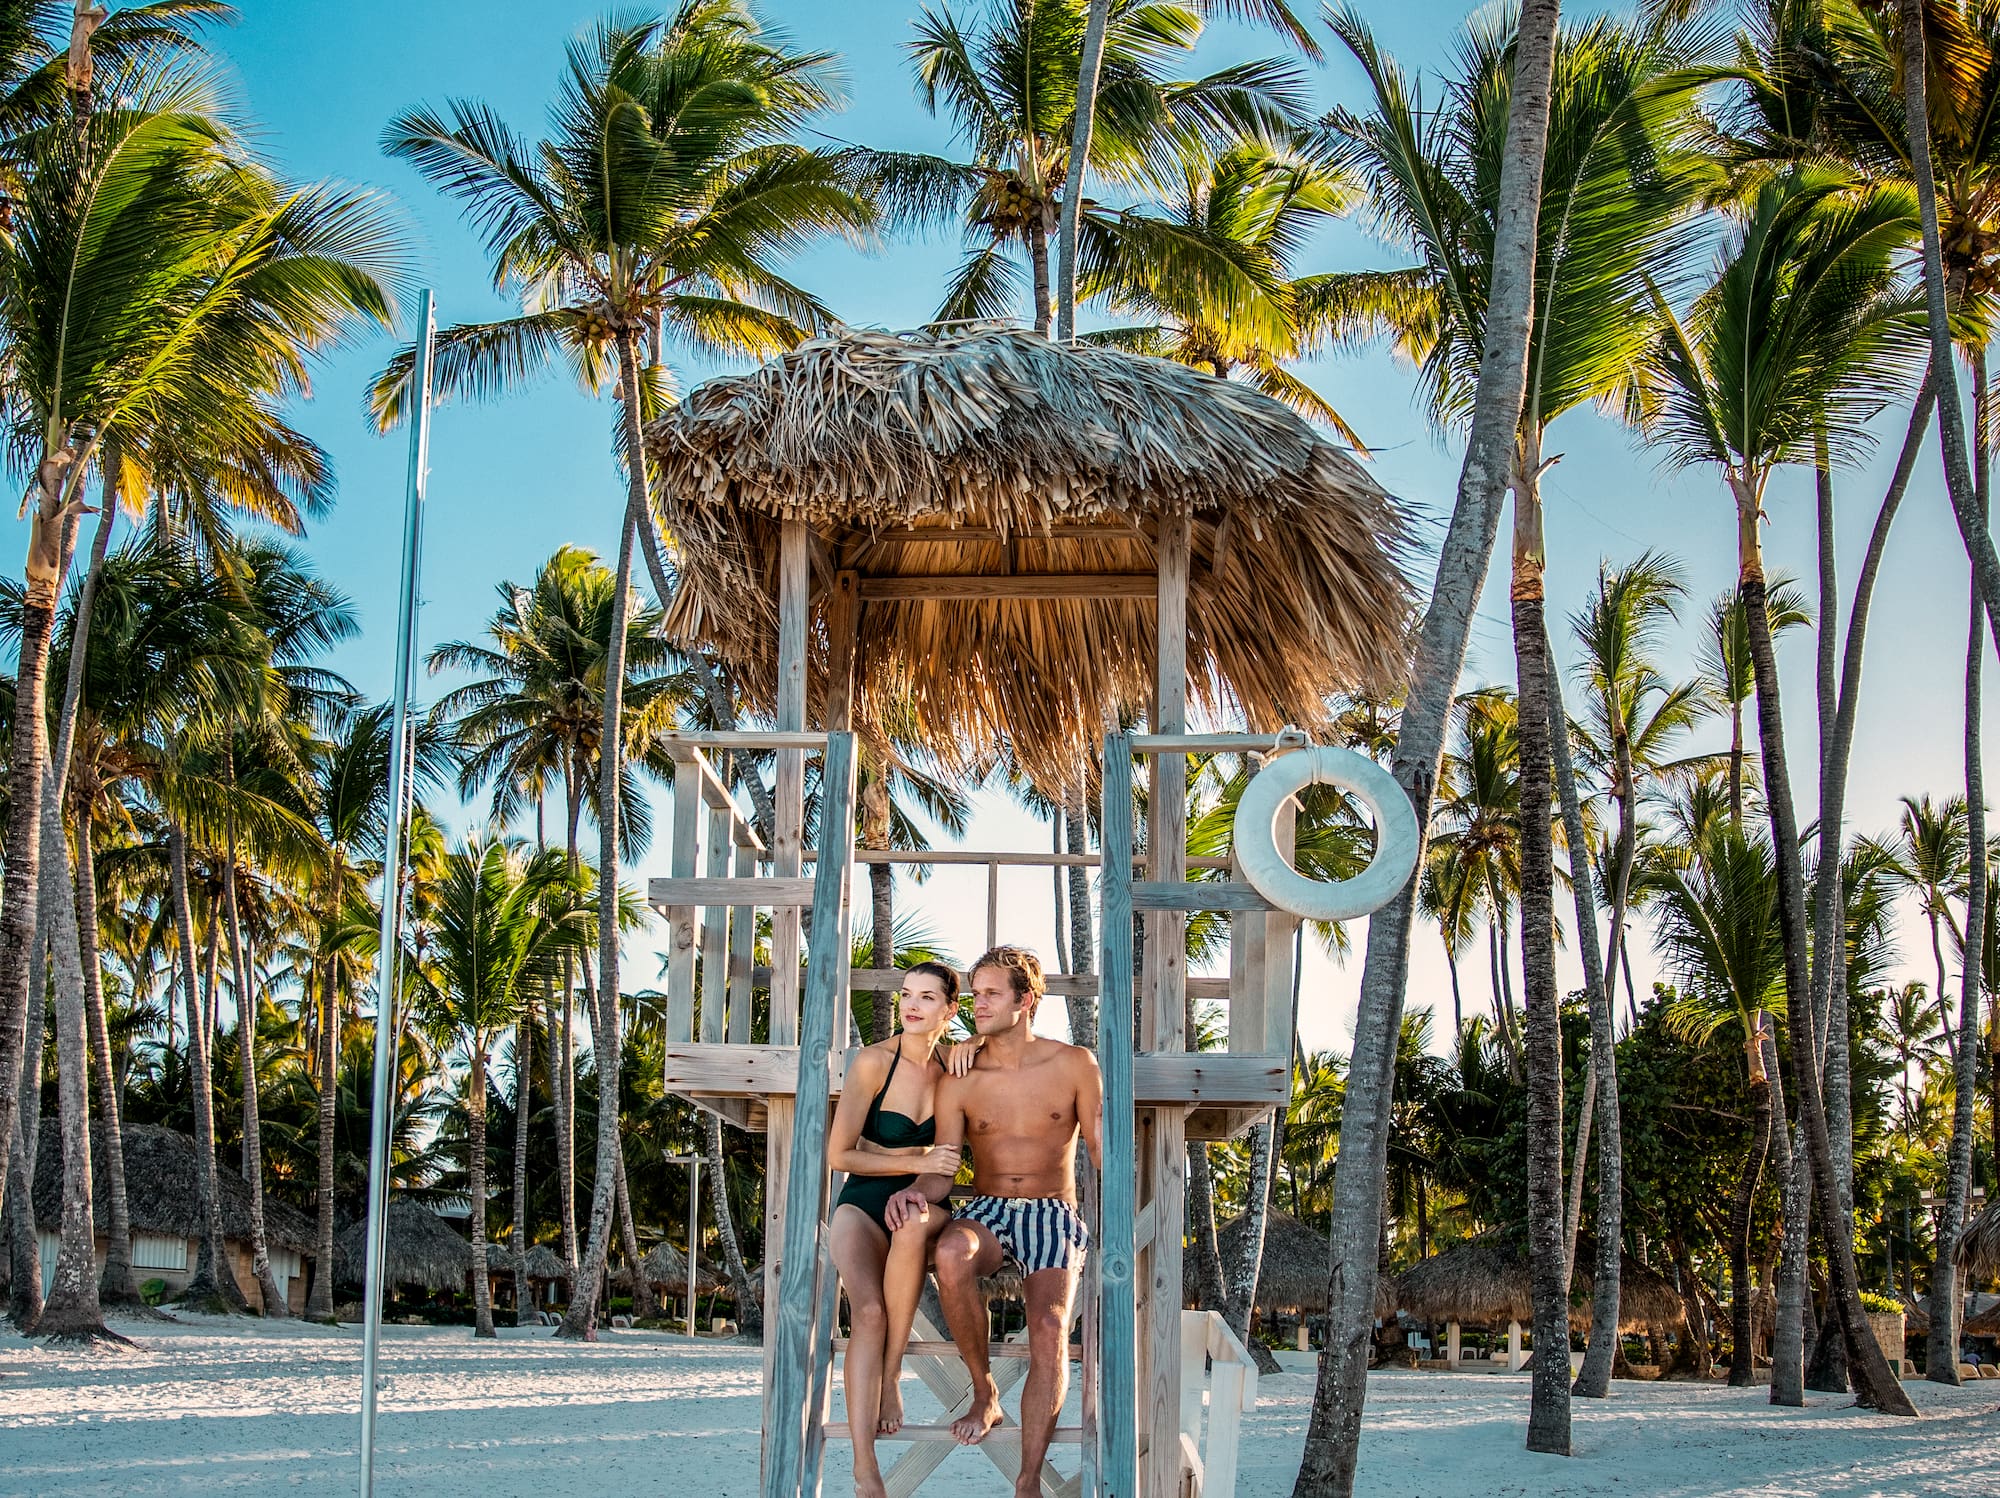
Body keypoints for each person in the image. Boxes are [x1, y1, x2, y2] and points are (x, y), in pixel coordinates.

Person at [885, 946, 1103, 1498]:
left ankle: (1027, 1481)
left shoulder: (1075, 1063)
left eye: (990, 994)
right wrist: (915, 1191)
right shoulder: (959, 1075)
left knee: (1050, 1332)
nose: (975, 1004)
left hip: (1054, 1213)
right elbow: (944, 1167)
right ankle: (985, 1394)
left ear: (1025, 1000)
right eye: (974, 993)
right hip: (984, 1209)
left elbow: (1104, 1155)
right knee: (951, 1254)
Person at [827, 961, 967, 1498]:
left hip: (918, 1207)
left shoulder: (955, 1072)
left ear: (949, 1009)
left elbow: (946, 1169)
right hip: (860, 1206)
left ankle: (888, 1379)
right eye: (907, 994)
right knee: (867, 1311)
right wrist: (915, 1157)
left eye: (928, 997)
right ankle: (865, 1469)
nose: (912, 1005)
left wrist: (922, 1178)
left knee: (912, 1224)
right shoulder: (872, 1063)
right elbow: (841, 1154)